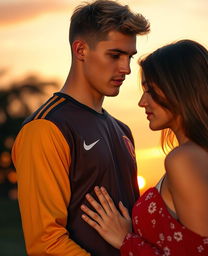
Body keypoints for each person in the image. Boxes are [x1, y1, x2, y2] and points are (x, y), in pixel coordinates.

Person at [80, 40, 208, 256]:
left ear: (181, 90)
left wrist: (126, 242)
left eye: (151, 91)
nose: (142, 102)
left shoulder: (184, 160)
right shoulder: (204, 156)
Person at [11, 1, 150, 255]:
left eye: (129, 57)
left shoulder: (122, 131)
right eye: (115, 55)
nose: (126, 69)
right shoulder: (46, 128)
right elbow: (46, 244)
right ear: (81, 49)